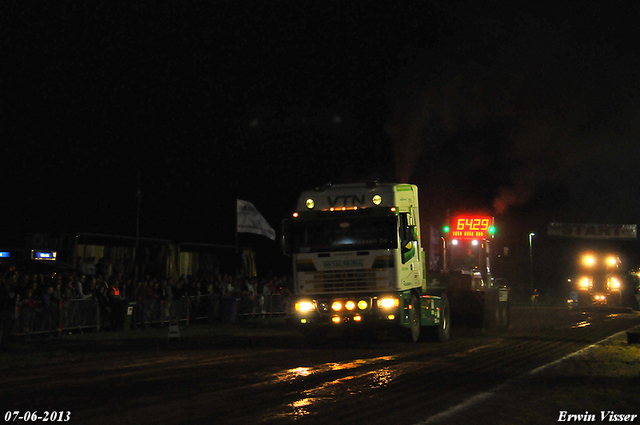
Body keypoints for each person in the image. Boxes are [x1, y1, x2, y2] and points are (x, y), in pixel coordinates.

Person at [1, 271, 19, 349]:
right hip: (1, 310)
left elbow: (14, 300)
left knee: (7, 329)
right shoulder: (2, 288)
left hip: (9, 310)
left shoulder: (14, 289)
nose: (14, 280)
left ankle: (4, 344)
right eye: (13, 278)